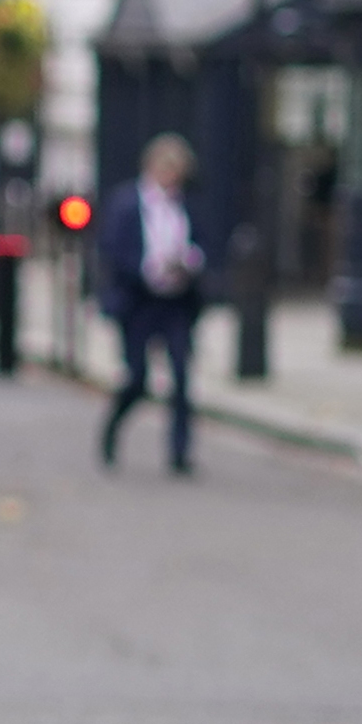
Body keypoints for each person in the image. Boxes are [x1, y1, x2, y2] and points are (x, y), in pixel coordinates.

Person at [96, 132, 207, 474]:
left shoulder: (185, 205)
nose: (172, 178)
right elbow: (113, 251)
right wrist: (149, 269)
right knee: (137, 379)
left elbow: (199, 243)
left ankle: (179, 452)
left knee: (181, 377)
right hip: (139, 302)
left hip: (175, 303)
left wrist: (188, 262)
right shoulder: (127, 204)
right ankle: (113, 427)